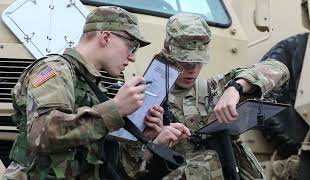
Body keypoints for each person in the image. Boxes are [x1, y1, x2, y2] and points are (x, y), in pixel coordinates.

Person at [2, 6, 190, 179]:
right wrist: (115, 109)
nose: (132, 57)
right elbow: (42, 135)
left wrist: (149, 138)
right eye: (131, 46)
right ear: (106, 37)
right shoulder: (55, 70)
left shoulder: (94, 88)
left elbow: (109, 167)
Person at [119, 13, 290, 180]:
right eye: (185, 62)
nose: (192, 69)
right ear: (168, 52)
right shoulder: (141, 99)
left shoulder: (215, 89)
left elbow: (278, 68)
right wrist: (155, 143)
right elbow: (127, 170)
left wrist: (236, 88)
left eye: (198, 62)